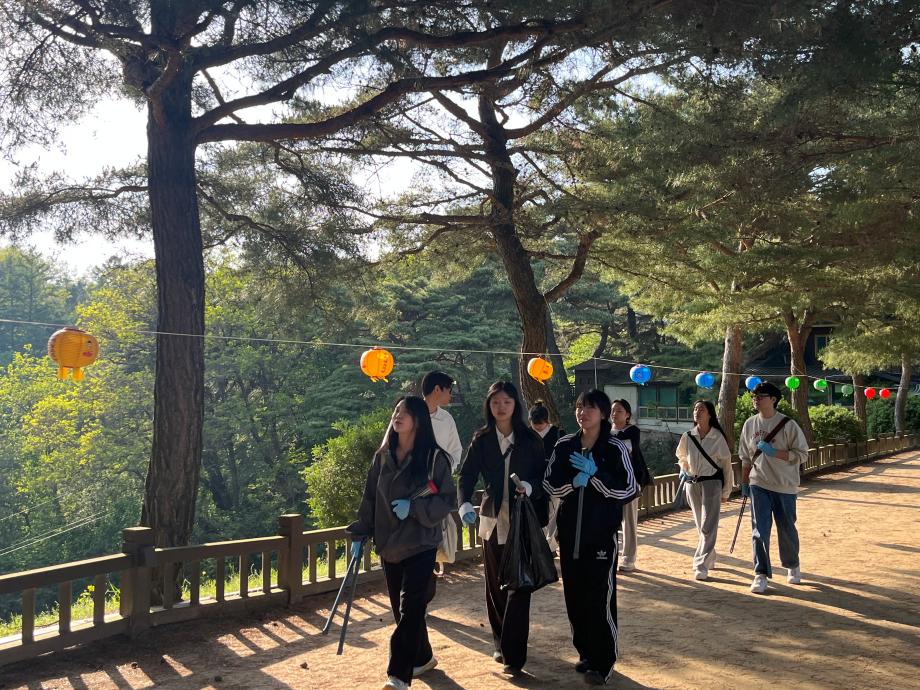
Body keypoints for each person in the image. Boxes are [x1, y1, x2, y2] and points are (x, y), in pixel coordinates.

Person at [347, 396, 457, 690]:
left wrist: (416, 508)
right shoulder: (382, 457)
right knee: (401, 609)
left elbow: (447, 499)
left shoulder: (434, 458)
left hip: (421, 542)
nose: (398, 416)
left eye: (405, 413)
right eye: (396, 411)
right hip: (389, 544)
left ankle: (398, 676)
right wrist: (360, 533)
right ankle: (423, 658)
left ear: (418, 420)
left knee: (411, 607)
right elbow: (370, 498)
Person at [544, 389, 640, 686]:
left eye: (589, 408)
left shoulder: (614, 447)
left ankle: (604, 661)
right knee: (575, 597)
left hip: (600, 537)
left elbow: (629, 489)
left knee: (599, 598)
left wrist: (596, 476)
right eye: (579, 407)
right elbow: (549, 483)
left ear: (602, 413)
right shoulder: (564, 445)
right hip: (570, 535)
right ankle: (585, 652)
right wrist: (574, 483)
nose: (582, 412)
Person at [458, 381, 548, 677]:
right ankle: (500, 641)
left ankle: (514, 655)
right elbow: (467, 476)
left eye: (507, 401)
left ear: (515, 405)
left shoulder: (530, 439)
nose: (501, 406)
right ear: (489, 405)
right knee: (496, 586)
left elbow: (543, 476)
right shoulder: (482, 439)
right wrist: (464, 503)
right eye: (495, 401)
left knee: (520, 586)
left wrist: (530, 487)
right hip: (492, 520)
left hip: (523, 521)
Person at [738, 381, 809, 595]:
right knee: (759, 529)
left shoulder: (788, 425)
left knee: (786, 528)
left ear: (773, 399)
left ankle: (792, 564)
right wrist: (744, 482)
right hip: (759, 483)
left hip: (784, 485)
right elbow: (745, 457)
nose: (756, 400)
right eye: (754, 396)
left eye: (760, 396)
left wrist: (774, 452)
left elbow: (802, 454)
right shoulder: (749, 424)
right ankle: (760, 573)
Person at [675, 399, 734, 581]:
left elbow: (726, 465)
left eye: (701, 409)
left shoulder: (717, 437)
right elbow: (681, 456)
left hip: (712, 483)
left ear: (709, 414)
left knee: (709, 525)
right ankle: (710, 556)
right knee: (701, 524)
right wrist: (684, 468)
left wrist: (726, 490)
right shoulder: (688, 436)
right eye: (695, 409)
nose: (697, 412)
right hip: (692, 483)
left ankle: (700, 564)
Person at [610, 399, 649, 572]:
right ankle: (611, 553)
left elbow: (627, 448)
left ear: (627, 415)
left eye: (619, 410)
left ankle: (629, 557)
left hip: (629, 482)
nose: (614, 413)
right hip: (609, 483)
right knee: (610, 519)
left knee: (629, 521)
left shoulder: (632, 431)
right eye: (613, 410)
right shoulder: (605, 431)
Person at [529, 399, 563, 552]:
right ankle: (543, 546)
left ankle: (549, 545)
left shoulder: (558, 434)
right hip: (533, 482)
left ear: (547, 421)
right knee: (537, 514)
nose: (537, 427)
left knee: (552, 514)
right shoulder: (527, 435)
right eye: (534, 424)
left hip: (554, 480)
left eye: (540, 425)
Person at [422, 371, 463, 471]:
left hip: (439, 478)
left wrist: (445, 473)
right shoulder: (410, 415)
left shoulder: (447, 419)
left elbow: (455, 451)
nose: (450, 396)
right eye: (449, 391)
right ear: (437, 389)